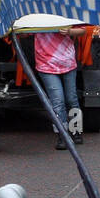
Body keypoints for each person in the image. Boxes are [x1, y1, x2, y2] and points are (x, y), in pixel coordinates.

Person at [35, 22, 86, 150]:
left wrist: (69, 32)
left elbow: (82, 30)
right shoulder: (33, 8)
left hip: (67, 61)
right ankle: (62, 135)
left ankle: (76, 131)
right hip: (45, 63)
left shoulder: (63, 9)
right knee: (58, 100)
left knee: (71, 99)